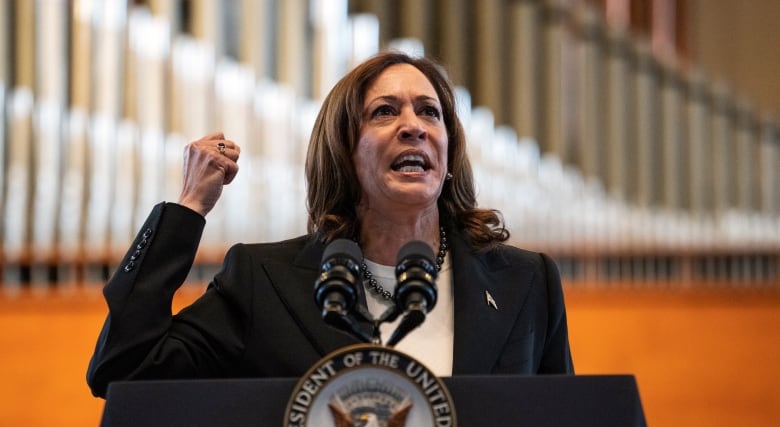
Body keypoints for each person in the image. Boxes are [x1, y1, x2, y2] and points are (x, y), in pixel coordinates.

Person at [86, 51, 574, 399]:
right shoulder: (265, 281)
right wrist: (189, 207)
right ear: (344, 152)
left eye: (430, 112)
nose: (414, 126)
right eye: (384, 112)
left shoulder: (527, 284)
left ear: (449, 155)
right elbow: (124, 370)